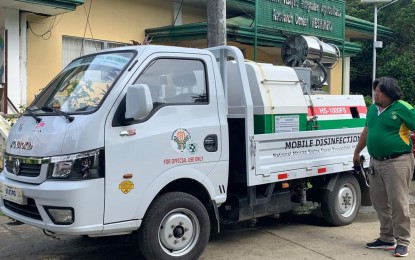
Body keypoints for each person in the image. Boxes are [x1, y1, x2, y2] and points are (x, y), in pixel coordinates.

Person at [354, 77, 415, 257]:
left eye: (379, 91)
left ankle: (403, 241)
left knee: (398, 202)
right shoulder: (372, 109)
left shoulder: (402, 107)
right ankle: (387, 238)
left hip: (398, 162)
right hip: (376, 161)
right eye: (375, 90)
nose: (375, 93)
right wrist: (357, 151)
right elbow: (367, 131)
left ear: (389, 92)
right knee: (379, 202)